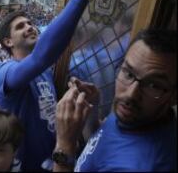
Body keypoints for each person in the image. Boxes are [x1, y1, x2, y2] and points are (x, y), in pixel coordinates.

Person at [0, 0, 114, 171]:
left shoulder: (46, 72)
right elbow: (42, 56)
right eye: (20, 26)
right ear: (8, 42)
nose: (30, 27)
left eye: (30, 23)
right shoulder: (5, 74)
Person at [54, 29, 177, 171]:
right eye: (129, 74)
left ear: (174, 96)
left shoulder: (137, 167)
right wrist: (93, 110)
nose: (131, 94)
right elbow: (100, 142)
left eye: (153, 85)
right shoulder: (136, 116)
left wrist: (64, 146)